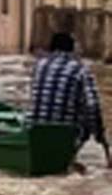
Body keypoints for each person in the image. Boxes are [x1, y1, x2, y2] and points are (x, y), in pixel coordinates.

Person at [29, 32, 112, 169]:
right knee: (87, 120)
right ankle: (70, 158)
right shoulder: (81, 69)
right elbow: (92, 107)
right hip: (64, 133)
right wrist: (101, 138)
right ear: (72, 48)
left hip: (35, 130)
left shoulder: (39, 65)